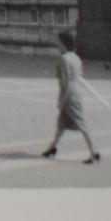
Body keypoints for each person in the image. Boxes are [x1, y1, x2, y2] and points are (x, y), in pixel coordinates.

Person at [42, 31, 101, 164]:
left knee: (82, 125)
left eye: (58, 42)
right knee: (61, 125)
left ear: (63, 44)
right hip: (76, 92)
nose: (57, 45)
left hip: (69, 96)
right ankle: (52, 148)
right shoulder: (75, 57)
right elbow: (78, 76)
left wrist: (60, 101)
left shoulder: (64, 59)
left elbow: (65, 83)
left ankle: (94, 152)